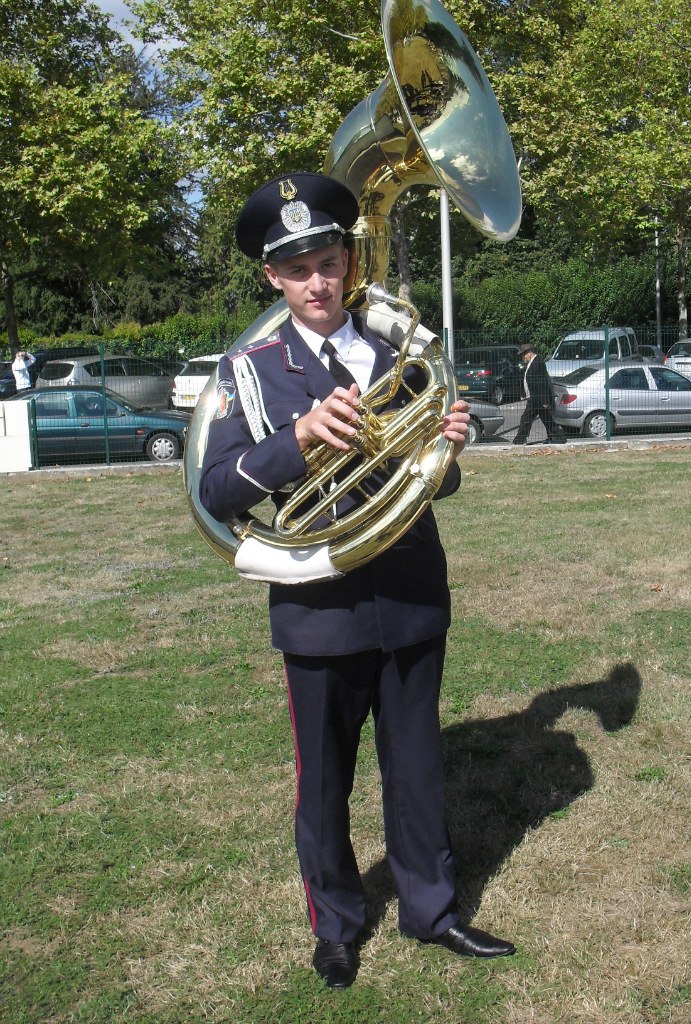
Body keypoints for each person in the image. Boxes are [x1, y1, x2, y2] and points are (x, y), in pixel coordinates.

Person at [199, 172, 516, 989]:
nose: (317, 282)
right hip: (319, 603)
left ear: (348, 259)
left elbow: (431, 483)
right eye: (297, 268)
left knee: (417, 768)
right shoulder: (249, 369)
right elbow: (217, 489)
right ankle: (336, 927)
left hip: (409, 589)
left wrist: (446, 448)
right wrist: (299, 436)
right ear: (272, 276)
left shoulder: (396, 354)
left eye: (328, 262)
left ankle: (432, 911)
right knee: (325, 782)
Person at [512, 342, 566, 444]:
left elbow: (543, 383)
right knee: (546, 419)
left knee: (526, 418)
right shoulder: (533, 362)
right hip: (535, 397)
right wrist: (525, 393)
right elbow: (530, 381)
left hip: (537, 398)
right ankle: (557, 437)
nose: (523, 357)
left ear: (529, 353)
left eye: (524, 354)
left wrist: (545, 401)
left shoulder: (537, 363)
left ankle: (519, 440)